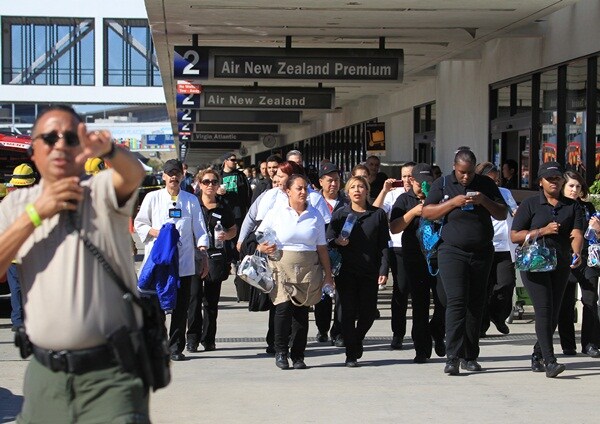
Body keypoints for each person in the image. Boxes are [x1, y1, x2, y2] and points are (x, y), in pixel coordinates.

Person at [0, 105, 149, 422]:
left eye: (70, 138)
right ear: (33, 149)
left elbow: (134, 173)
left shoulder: (99, 191)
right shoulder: (15, 205)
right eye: (49, 137)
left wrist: (109, 149)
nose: (60, 145)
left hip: (109, 374)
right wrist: (37, 212)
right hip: (45, 377)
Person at [422, 147, 507, 375]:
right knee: (457, 300)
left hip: (481, 251)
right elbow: (427, 212)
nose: (466, 177)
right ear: (454, 167)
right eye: (461, 172)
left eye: (469, 172)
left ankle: (470, 355)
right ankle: (453, 356)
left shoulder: (486, 185)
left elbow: (501, 213)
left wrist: (484, 201)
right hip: (452, 251)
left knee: (476, 302)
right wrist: (452, 203)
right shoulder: (442, 183)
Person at [511, 161, 583, 378]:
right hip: (535, 264)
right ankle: (550, 361)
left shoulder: (572, 206)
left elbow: (577, 233)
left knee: (553, 313)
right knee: (543, 310)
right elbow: (515, 236)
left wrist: (577, 252)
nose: (554, 182)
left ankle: (537, 353)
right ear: (540, 182)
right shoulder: (531, 204)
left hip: (560, 263)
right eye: (549, 179)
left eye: (557, 179)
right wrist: (542, 231)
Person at [135, 159, 210, 362]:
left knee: (181, 307)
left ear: (182, 176)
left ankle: (176, 347)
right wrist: (158, 233)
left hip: (184, 263)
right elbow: (139, 224)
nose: (174, 177)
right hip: (160, 262)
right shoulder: (152, 198)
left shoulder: (191, 200)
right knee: (157, 306)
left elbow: (200, 230)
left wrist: (203, 255)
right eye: (170, 174)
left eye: (177, 173)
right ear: (164, 177)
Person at [257, 174, 333, 370]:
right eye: (298, 188)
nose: (303, 192)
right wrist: (262, 247)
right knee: (282, 309)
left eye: (305, 188)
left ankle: (298, 354)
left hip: (307, 268)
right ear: (288, 191)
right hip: (280, 266)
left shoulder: (315, 214)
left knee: (301, 312)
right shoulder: (277, 212)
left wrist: (328, 275)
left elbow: (322, 248)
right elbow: (259, 236)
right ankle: (281, 351)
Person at [327, 176, 390, 367]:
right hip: (346, 271)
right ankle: (350, 354)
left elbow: (384, 245)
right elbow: (329, 238)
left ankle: (357, 337)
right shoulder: (340, 214)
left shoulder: (377, 214)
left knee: (368, 313)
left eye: (361, 187)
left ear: (367, 191)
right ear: (347, 192)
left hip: (369, 271)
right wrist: (338, 241)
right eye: (353, 187)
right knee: (347, 312)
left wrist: (384, 268)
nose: (357, 190)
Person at [390, 163, 446, 363]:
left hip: (439, 257)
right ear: (411, 180)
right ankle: (421, 349)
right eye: (420, 183)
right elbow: (395, 228)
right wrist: (413, 212)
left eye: (428, 183)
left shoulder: (440, 197)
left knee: (444, 302)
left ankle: (437, 331)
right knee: (420, 305)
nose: (424, 187)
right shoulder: (404, 200)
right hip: (414, 258)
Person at [186, 169, 237, 353]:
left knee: (211, 302)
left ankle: (209, 339)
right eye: (206, 182)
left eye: (214, 182)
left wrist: (226, 235)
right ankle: (192, 338)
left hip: (215, 257)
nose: (210, 185)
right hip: (194, 256)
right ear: (199, 184)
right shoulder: (192, 204)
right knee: (193, 299)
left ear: (218, 185)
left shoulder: (223, 206)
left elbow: (233, 229)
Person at [556, 170, 600, 358]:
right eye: (571, 186)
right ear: (563, 188)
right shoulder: (557, 207)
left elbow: (595, 236)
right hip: (565, 257)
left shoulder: (588, 207)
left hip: (588, 258)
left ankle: (590, 343)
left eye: (578, 186)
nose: (574, 190)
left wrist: (598, 230)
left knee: (590, 299)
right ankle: (568, 344)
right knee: (565, 302)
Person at [475, 162, 518, 337]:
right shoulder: (476, 195)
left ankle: (498, 315)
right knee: (484, 287)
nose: (495, 183)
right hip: (485, 245)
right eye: (491, 180)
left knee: (506, 284)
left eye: (497, 180)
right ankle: (482, 325)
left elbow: (514, 211)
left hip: (505, 247)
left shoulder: (505, 193)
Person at [372, 162, 412, 349]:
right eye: (403, 176)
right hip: (397, 247)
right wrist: (385, 191)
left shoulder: (425, 193)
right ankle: (398, 333)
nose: (407, 180)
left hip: (421, 248)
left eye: (411, 176)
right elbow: (375, 210)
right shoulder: (395, 195)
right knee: (400, 291)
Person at [315, 161, 348, 346]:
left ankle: (339, 332)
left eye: (336, 180)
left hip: (342, 255)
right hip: (321, 255)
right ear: (321, 182)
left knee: (342, 295)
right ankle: (322, 329)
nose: (333, 184)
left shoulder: (346, 202)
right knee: (323, 295)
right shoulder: (313, 202)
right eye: (329, 180)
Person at [6, 163, 37, 332]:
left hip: (12, 255)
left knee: (16, 289)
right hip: (32, 254)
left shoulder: (7, 203)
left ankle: (18, 322)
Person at [217, 153, 252, 260]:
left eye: (235, 160)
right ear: (225, 161)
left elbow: (248, 193)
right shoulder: (219, 176)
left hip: (239, 211)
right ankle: (227, 259)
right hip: (223, 211)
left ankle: (238, 259)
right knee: (224, 236)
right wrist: (217, 192)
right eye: (232, 160)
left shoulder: (240, 175)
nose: (235, 162)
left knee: (238, 235)